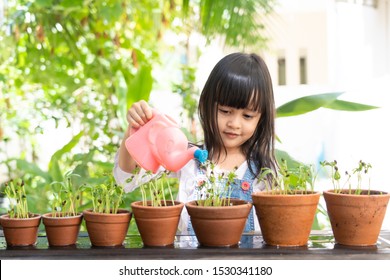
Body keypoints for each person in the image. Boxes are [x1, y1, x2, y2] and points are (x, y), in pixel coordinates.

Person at [113, 52, 277, 233]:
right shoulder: (187, 158)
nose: (234, 124)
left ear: (261, 118)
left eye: (247, 116)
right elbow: (126, 179)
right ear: (207, 106)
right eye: (224, 111)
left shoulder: (264, 171)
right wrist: (134, 130)